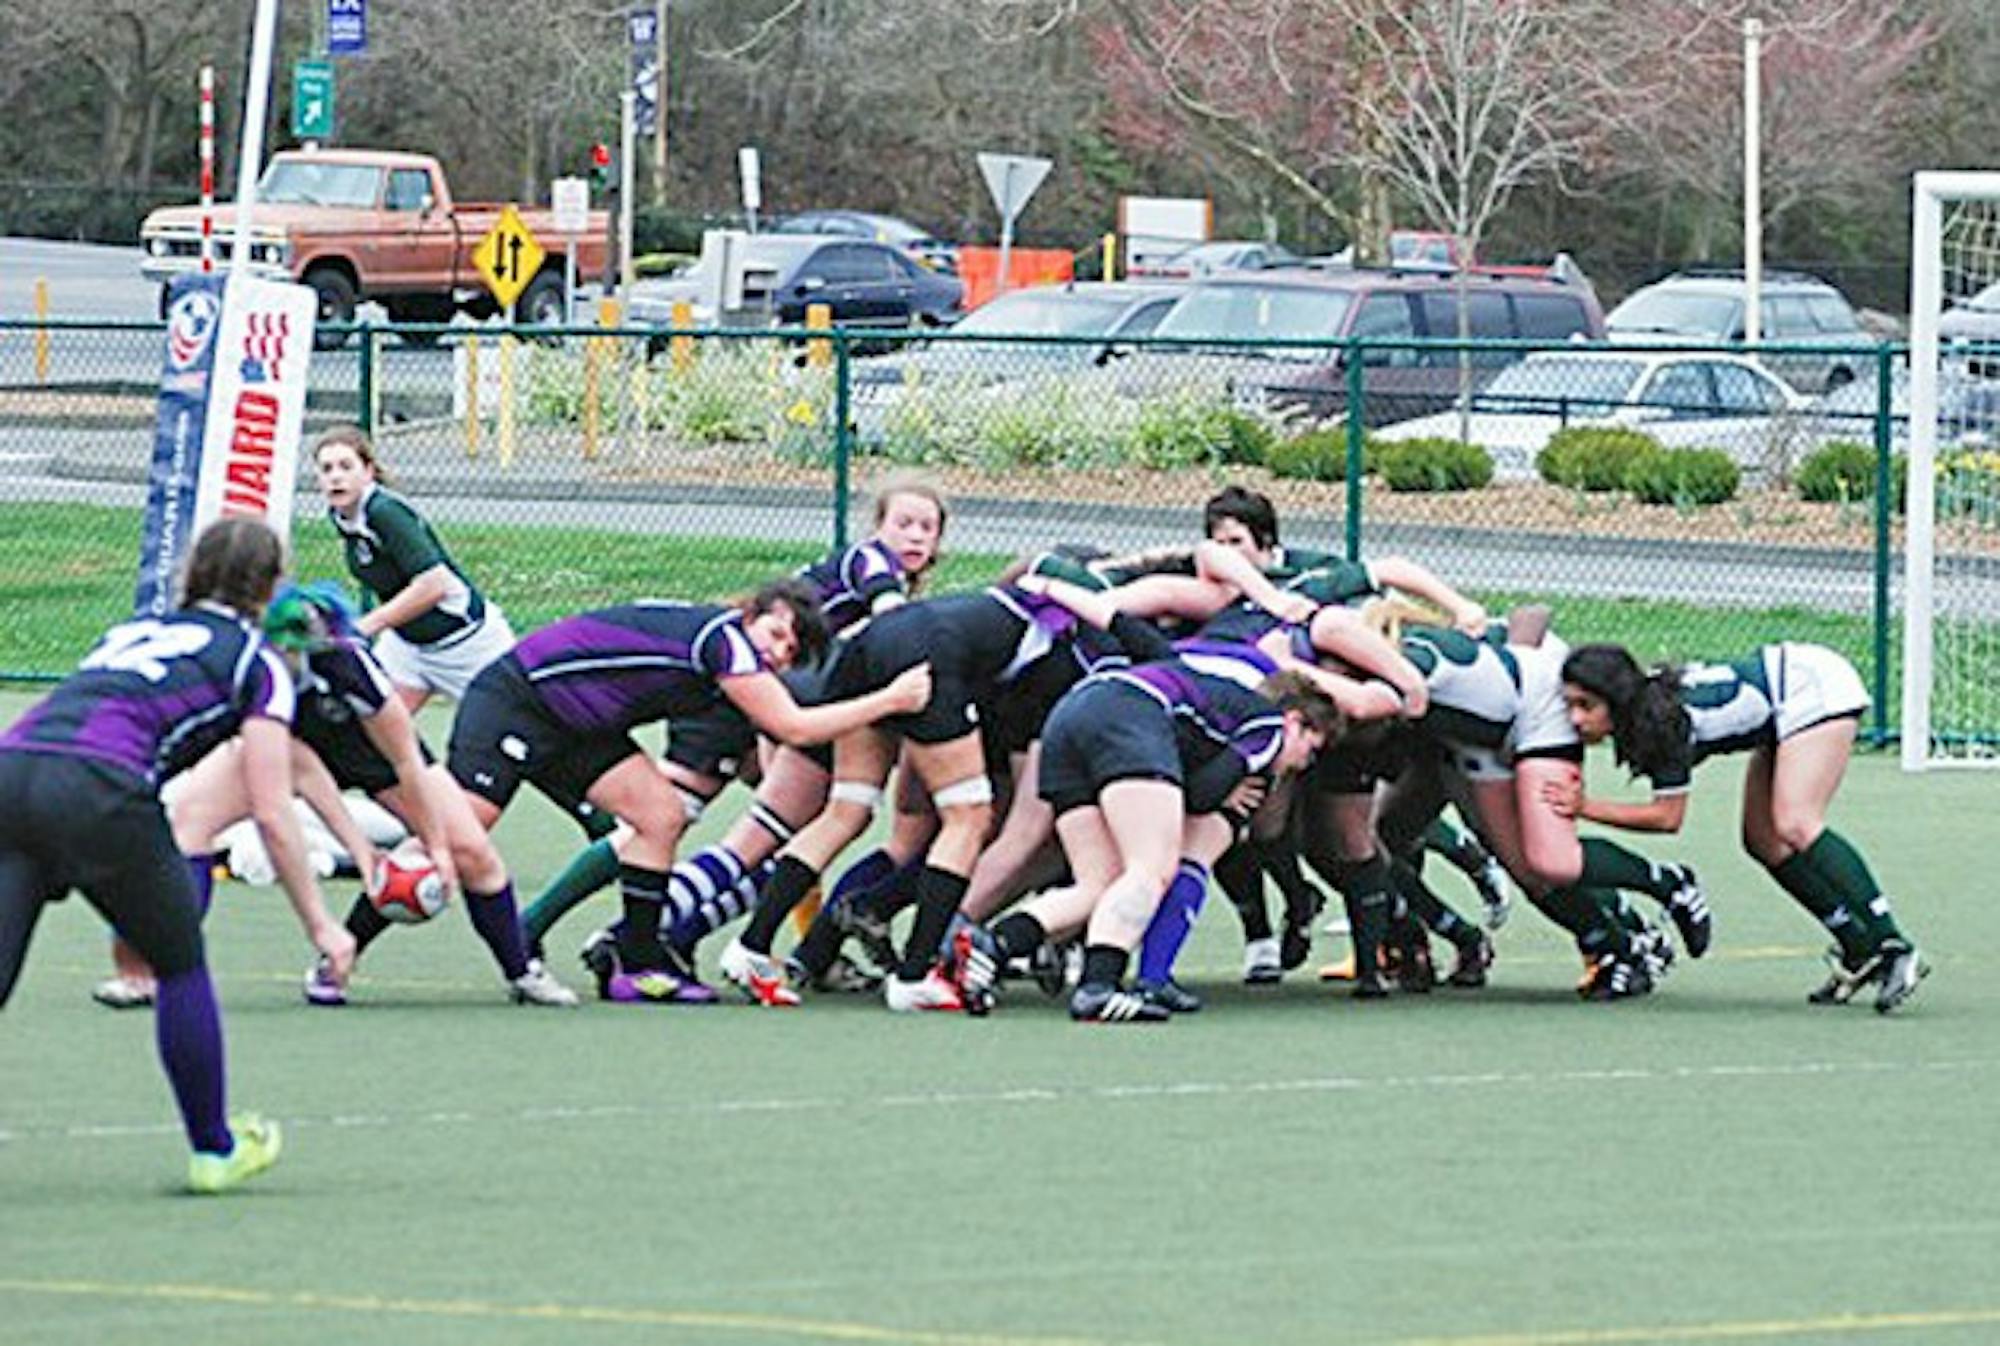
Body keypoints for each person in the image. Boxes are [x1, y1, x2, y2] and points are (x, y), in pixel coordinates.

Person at [0, 518, 355, 1193]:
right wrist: (321, 924)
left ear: (193, 572)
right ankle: (214, 1150)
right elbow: (272, 806)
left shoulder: (133, 630)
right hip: (100, 788)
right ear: (271, 587)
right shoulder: (257, 661)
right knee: (179, 963)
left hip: (11, 772)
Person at [520, 477, 948, 985]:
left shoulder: (862, 586)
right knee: (664, 820)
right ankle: (556, 927)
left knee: (788, 831)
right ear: (877, 527)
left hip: (771, 696)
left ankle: (752, 944)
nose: (915, 535)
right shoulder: (870, 561)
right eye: (904, 523)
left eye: (928, 527)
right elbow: (891, 616)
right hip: (731, 694)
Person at [446, 580, 930, 1005]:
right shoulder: (729, 642)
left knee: (662, 816)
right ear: (751, 614)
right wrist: (892, 699)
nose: (781, 650)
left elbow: (778, 721)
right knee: (453, 841)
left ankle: (637, 964)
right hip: (522, 700)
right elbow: (794, 726)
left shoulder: (733, 648)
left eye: (791, 649)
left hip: (578, 723)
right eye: (777, 633)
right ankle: (501, 926)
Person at [953, 646, 1341, 1022]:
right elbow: (1202, 796)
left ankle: (994, 945)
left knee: (1098, 883)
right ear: (1294, 721)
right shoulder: (1269, 727)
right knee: (1151, 869)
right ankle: (1099, 987)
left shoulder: (1220, 706)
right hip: (1127, 715)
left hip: (1067, 717)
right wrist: (1228, 787)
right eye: (1310, 749)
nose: (1304, 764)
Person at [1557, 642, 1927, 1012]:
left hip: (1810, 685)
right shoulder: (1645, 710)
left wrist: (1585, 807)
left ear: (1617, 699)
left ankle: (1893, 944)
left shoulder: (1664, 722)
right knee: (1763, 840)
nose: (1574, 718)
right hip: (1780, 701)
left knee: (1796, 822)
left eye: (1586, 705)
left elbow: (1667, 817)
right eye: (1569, 705)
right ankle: (1858, 947)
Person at [315, 425, 512, 713]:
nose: (335, 477)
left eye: (346, 466)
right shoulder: (341, 517)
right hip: (406, 648)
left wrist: (363, 627)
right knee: (371, 726)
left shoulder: (385, 512)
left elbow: (434, 585)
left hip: (467, 645)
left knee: (514, 732)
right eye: (326, 469)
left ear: (368, 471)